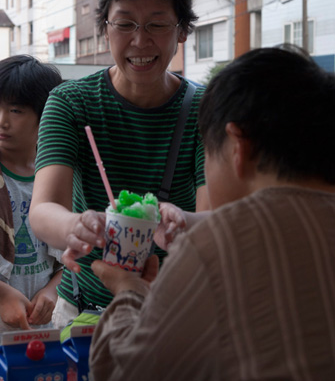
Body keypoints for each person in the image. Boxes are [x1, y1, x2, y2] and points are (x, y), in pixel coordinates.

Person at [88, 47, 335, 381]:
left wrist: (129, 291)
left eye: (207, 150)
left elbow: (125, 372)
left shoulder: (220, 243)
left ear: (238, 147)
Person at [30, 0, 209, 329]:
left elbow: (215, 219)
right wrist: (73, 226)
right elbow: (43, 211)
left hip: (175, 313)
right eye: (124, 23)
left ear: (181, 30)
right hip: (83, 313)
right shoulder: (70, 102)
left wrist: (183, 222)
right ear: (105, 27)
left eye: (157, 24)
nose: (140, 41)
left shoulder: (205, 109)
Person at [0, 55, 63, 332]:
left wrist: (53, 291)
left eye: (16, 111)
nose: (2, 121)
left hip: (41, 327)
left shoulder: (58, 176)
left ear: (45, 114)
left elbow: (72, 256)